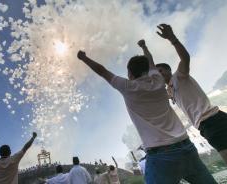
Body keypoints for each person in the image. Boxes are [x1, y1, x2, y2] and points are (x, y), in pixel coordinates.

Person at [77, 48, 217, 183]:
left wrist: (84, 58)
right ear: (148, 71)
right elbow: (150, 60)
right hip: (186, 147)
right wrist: (144, 46)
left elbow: (102, 71)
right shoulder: (158, 80)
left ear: (130, 74)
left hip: (161, 155)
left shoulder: (127, 86)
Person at [141, 23, 227, 164]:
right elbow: (150, 67)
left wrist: (172, 38)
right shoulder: (168, 90)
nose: (159, 74)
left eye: (161, 71)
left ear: (168, 70)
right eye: (157, 73)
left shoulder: (179, 76)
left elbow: (185, 58)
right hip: (205, 127)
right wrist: (144, 48)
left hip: (213, 120)